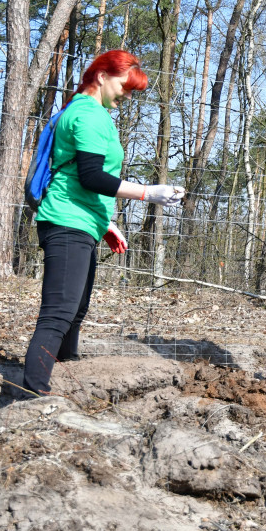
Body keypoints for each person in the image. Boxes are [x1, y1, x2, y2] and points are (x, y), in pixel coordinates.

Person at [22, 50, 185, 397]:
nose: (128, 95)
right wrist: (148, 193)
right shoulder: (90, 115)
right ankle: (31, 395)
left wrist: (105, 221)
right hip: (67, 221)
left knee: (75, 310)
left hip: (81, 220)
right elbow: (92, 176)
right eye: (126, 87)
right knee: (58, 315)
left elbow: (77, 176)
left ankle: (63, 376)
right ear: (101, 77)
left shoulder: (83, 112)